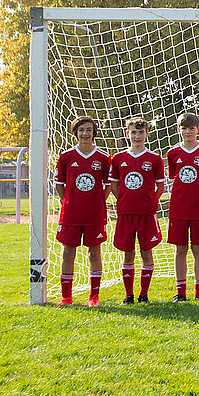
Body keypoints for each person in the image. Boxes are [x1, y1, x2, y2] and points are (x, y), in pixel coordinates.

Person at [53, 116, 109, 306]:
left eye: (88, 130)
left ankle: (94, 296)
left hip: (94, 214)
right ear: (75, 132)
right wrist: (67, 201)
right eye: (81, 130)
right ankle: (66, 297)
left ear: (94, 133)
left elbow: (108, 184)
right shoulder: (66, 157)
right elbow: (59, 184)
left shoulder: (102, 157)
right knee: (68, 253)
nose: (85, 134)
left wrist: (99, 200)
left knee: (94, 253)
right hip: (71, 214)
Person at [109, 116, 166, 304]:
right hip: (126, 213)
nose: (137, 136)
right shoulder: (118, 159)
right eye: (134, 132)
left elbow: (160, 187)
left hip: (146, 213)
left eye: (141, 132)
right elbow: (115, 186)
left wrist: (151, 201)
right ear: (128, 134)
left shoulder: (154, 158)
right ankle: (128, 294)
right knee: (128, 253)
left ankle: (144, 294)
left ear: (147, 134)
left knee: (146, 253)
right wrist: (123, 200)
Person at [166, 113, 199, 302]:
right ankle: (180, 292)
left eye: (191, 128)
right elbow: (174, 179)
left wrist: (196, 194)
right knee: (180, 249)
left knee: (198, 249)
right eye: (184, 128)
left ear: (198, 129)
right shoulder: (173, 153)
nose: (188, 132)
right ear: (179, 130)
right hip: (178, 208)